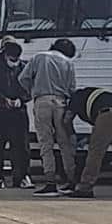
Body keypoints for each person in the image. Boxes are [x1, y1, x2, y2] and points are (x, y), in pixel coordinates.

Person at [20, 38, 78, 194]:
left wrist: (33, 91)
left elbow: (23, 78)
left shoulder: (40, 57)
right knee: (64, 142)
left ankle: (50, 181)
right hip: (61, 102)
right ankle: (71, 180)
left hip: (42, 101)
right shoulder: (68, 63)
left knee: (46, 142)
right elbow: (72, 87)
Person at [67, 84, 112, 198]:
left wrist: (69, 134)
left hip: (107, 115)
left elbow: (67, 119)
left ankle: (85, 187)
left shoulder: (75, 98)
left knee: (95, 153)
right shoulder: (94, 93)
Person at [0, 37, 30, 189]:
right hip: (0, 112)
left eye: (16, 59)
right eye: (11, 59)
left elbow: (30, 87)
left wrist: (22, 100)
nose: (14, 62)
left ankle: (21, 177)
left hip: (19, 112)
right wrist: (3, 100)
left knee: (21, 147)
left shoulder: (25, 67)